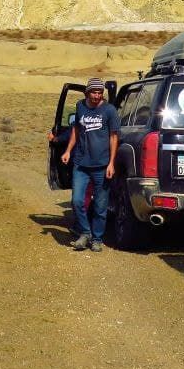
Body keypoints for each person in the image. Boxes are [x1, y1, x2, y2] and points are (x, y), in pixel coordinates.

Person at [61, 77, 120, 252]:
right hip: (81, 164)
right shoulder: (80, 106)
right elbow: (76, 130)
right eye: (94, 92)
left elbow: (114, 137)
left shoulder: (109, 110)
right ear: (87, 92)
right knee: (77, 200)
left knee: (101, 206)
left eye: (99, 92)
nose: (96, 95)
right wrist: (68, 150)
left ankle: (97, 239)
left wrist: (111, 163)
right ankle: (85, 232)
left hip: (102, 166)